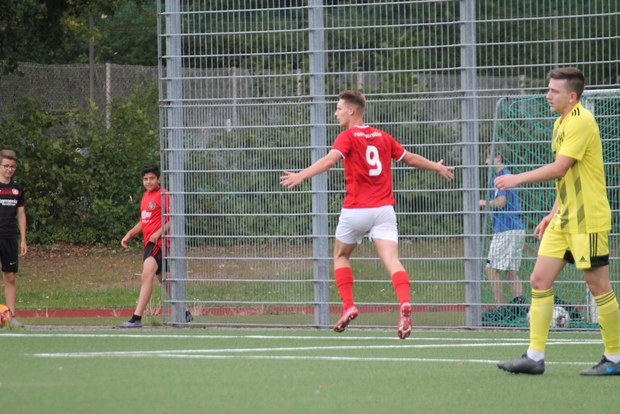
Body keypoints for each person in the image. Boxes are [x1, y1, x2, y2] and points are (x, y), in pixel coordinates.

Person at [280, 90, 454, 339]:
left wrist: (301, 175)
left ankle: (349, 305)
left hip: (356, 210)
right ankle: (404, 302)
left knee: (340, 255)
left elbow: (329, 161)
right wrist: (437, 166)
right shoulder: (382, 136)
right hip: (384, 210)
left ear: (352, 111)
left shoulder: (347, 136)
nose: (336, 113)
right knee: (392, 260)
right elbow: (410, 158)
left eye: (339, 108)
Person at [495, 67, 620, 376]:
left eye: (554, 91)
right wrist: (553, 213)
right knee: (539, 280)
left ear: (572, 96)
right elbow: (568, 177)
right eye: (548, 89)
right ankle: (534, 357)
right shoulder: (560, 123)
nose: (548, 95)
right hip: (564, 219)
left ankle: (615, 357)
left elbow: (560, 167)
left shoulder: (581, 121)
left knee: (598, 286)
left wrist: (516, 179)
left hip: (588, 220)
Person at [119, 165, 192, 328]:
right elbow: (144, 221)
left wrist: (159, 233)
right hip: (149, 243)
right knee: (165, 280)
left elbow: (174, 218)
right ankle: (185, 312)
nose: (148, 182)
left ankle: (136, 318)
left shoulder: (164, 194)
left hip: (158, 244)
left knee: (146, 275)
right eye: (145, 179)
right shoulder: (145, 196)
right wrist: (130, 234)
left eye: (152, 178)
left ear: (158, 179)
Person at [479, 145, 526, 306]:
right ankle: (520, 307)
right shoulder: (507, 175)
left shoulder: (501, 177)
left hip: (506, 229)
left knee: (491, 268)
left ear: (498, 157)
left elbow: (501, 202)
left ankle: (500, 307)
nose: (486, 162)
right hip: (516, 228)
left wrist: (483, 203)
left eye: (488, 157)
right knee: (511, 272)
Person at [0, 150, 27, 327]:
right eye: (6, 166)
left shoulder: (17, 189)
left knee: (9, 277)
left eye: (12, 166)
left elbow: (21, 214)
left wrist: (23, 239)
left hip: (9, 237)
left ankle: (12, 316)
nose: (9, 169)